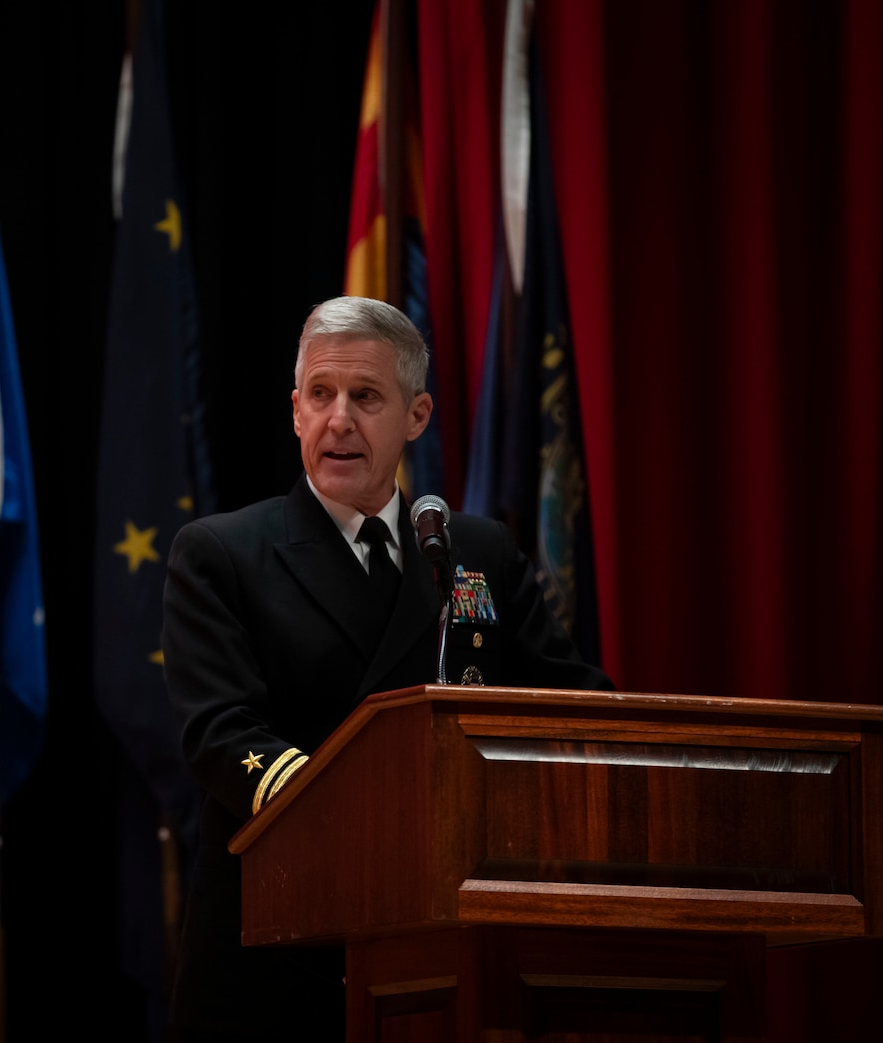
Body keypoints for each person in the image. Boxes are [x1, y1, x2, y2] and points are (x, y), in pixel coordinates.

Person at [160, 294, 613, 1040]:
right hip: (279, 950)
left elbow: (571, 704)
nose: (339, 419)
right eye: (321, 395)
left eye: (366, 396)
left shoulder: (477, 553)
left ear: (418, 415)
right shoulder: (222, 554)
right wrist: (373, 820)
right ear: (296, 412)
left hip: (446, 948)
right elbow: (221, 733)